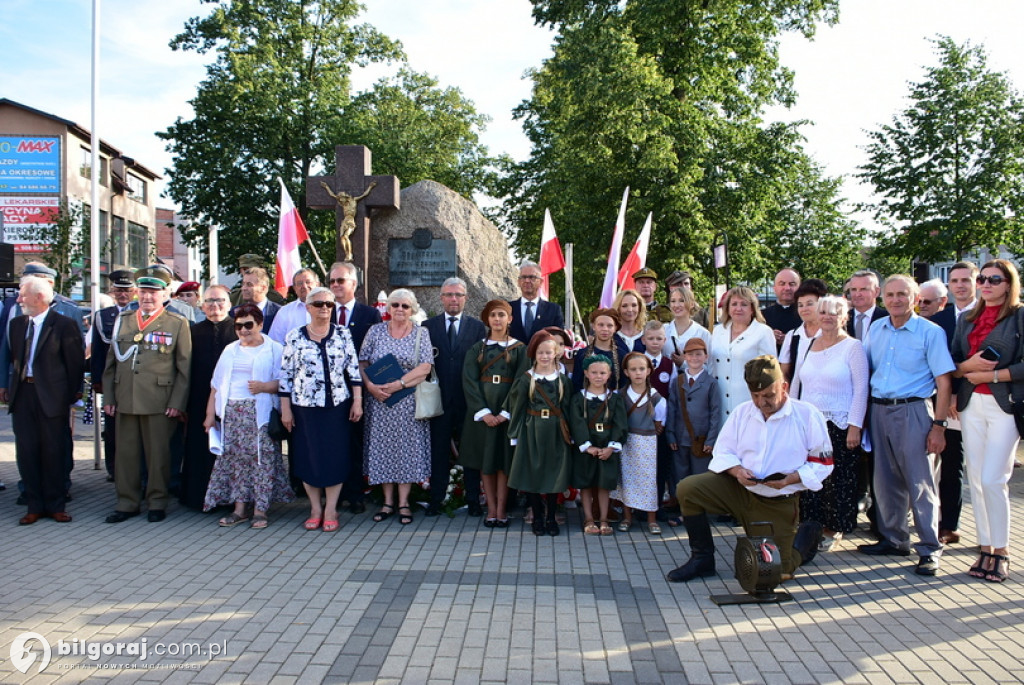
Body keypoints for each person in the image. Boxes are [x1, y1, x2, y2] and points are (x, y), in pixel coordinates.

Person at [667, 356, 831, 583]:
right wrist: (736, 472)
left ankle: (805, 541)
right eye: (755, 396)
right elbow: (723, 451)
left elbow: (823, 463)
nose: (762, 402)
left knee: (777, 573)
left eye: (769, 396)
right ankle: (702, 559)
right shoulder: (743, 412)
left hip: (778, 500)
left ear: (784, 387)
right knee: (688, 489)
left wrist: (791, 478)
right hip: (739, 489)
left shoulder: (807, 415)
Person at [858, 275, 954, 577]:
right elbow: (866, 371)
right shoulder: (877, 328)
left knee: (920, 483)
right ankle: (895, 539)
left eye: (903, 294)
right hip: (879, 410)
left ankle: (929, 548)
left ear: (914, 298)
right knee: (885, 482)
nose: (896, 300)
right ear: (882, 298)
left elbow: (943, 380)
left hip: (913, 410)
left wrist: (938, 426)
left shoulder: (930, 332)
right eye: (890, 294)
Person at [951, 259, 1023, 583]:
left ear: (1009, 284)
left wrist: (991, 374)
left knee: (995, 478)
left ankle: (1003, 550)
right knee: (977, 479)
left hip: (1004, 404)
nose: (987, 284)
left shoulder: (1020, 316)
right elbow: (952, 363)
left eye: (995, 279)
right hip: (970, 404)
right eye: (983, 279)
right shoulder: (967, 319)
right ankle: (985, 546)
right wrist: (968, 368)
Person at [103, 266, 192, 524]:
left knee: (158, 456)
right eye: (143, 292)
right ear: (136, 293)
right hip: (125, 398)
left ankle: (156, 502)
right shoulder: (124, 319)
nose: (147, 297)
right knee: (126, 456)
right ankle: (127, 502)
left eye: (153, 292)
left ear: (165, 294)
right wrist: (109, 397)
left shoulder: (177, 323)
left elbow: (184, 368)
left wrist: (177, 402)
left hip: (159, 401)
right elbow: (110, 363)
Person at [280, 287, 363, 532]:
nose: (324, 308)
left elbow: (354, 370)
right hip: (305, 408)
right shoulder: (295, 336)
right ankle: (315, 508)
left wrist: (357, 401)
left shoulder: (342, 334)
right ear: (308, 308)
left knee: (335, 456)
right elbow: (285, 375)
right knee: (309, 457)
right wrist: (286, 409)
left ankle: (331, 509)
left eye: (328, 304)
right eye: (318, 304)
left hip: (337, 406)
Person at [204, 304, 294, 528]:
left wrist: (264, 386)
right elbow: (215, 385)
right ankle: (239, 509)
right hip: (231, 413)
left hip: (259, 413)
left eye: (248, 325)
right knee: (235, 462)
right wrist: (209, 416)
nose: (243, 330)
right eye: (238, 326)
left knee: (261, 461)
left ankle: (261, 510)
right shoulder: (230, 350)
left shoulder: (274, 349)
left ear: (260, 324)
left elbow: (285, 382)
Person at [791, 296, 868, 552]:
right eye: (823, 311)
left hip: (840, 423)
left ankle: (834, 528)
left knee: (838, 480)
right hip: (809, 424)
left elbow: (861, 389)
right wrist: (791, 415)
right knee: (811, 477)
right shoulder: (809, 343)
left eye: (834, 313)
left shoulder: (853, 347)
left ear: (844, 316)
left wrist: (855, 425)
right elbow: (796, 383)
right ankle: (810, 526)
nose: (827, 316)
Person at [8, 276, 85, 524]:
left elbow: (74, 364)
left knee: (53, 451)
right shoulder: (18, 324)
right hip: (23, 395)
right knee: (27, 451)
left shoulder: (62, 325)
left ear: (39, 297)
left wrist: (71, 395)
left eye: (22, 295)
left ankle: (55, 504)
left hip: (53, 397)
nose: (19, 299)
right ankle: (33, 505)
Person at [360, 289, 433, 526]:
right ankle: (387, 502)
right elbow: (362, 361)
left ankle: (404, 503)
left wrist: (397, 385)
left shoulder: (421, 333)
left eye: (405, 306)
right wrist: (370, 386)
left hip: (408, 403)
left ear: (413, 310)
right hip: (380, 403)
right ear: (388, 308)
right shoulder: (376, 331)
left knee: (406, 452)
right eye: (395, 305)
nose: (400, 309)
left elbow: (425, 368)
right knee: (383, 451)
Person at [423, 278, 488, 516]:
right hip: (438, 401)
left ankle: (473, 500)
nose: (453, 299)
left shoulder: (477, 328)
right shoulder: (427, 326)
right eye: (449, 294)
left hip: (467, 401)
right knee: (438, 452)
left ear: (466, 298)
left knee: (469, 453)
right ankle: (436, 500)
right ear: (441, 297)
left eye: (458, 295)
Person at [461, 300, 529, 527]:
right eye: (493, 315)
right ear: (487, 320)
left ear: (510, 319)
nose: (497, 319)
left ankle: (502, 509)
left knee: (503, 463)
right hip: (483, 415)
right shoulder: (477, 348)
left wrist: (506, 412)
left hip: (506, 414)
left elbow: (522, 382)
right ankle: (490, 509)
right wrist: (484, 412)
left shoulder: (519, 349)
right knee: (486, 462)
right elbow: (469, 381)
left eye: (502, 315)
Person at [506, 330, 573, 535]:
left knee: (554, 473)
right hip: (531, 429)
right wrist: (515, 433)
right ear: (534, 354)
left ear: (556, 354)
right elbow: (517, 406)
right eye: (540, 353)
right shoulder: (527, 379)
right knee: (533, 473)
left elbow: (568, 408)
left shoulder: (563, 380)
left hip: (555, 430)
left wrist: (571, 433)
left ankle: (551, 517)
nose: (544, 356)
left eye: (548, 352)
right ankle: (537, 517)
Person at [328, 261, 382, 513]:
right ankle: (334, 494)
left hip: (360, 388)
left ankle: (356, 494)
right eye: (332, 281)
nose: (335, 285)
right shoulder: (323, 310)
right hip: (329, 390)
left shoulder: (369, 315)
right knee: (334, 442)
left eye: (340, 280)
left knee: (358, 442)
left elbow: (374, 353)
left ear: (354, 284)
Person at [179, 285, 237, 510]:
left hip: (231, 401)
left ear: (229, 305)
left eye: (220, 301)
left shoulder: (238, 330)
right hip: (198, 398)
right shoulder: (191, 332)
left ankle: (231, 498)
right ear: (202, 306)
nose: (215, 306)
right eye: (210, 301)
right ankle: (198, 497)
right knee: (198, 447)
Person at [570, 355, 629, 536]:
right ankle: (588, 518)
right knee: (586, 484)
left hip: (607, 448)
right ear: (586, 373)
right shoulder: (578, 398)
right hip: (586, 448)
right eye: (594, 372)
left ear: (609, 374)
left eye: (602, 373)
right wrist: (587, 446)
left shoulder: (615, 398)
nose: (598, 376)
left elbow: (621, 424)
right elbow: (576, 423)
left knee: (604, 485)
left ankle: (603, 518)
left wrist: (611, 447)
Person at [89, 269, 137, 481]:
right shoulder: (102, 316)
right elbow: (98, 352)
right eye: (118, 290)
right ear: (112, 291)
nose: (122, 295)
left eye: (126, 290)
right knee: (111, 427)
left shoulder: (140, 314)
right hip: (112, 381)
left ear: (134, 291)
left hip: (135, 380)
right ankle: (113, 468)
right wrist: (97, 381)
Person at [611, 352, 666, 535]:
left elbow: (660, 422)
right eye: (633, 369)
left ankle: (652, 518)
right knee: (626, 479)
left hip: (647, 443)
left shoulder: (655, 397)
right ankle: (627, 516)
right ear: (626, 372)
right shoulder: (621, 395)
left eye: (642, 369)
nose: (638, 373)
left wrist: (652, 431)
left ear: (649, 371)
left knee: (648, 480)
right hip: (626, 442)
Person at [708, 286, 776, 418]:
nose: (738, 308)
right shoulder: (718, 331)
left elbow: (770, 374)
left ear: (752, 308)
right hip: (719, 403)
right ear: (728, 308)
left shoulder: (763, 332)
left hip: (748, 403)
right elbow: (711, 366)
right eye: (734, 304)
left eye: (744, 304)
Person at [666, 338, 722, 486]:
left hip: (701, 439)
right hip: (679, 437)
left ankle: (700, 506)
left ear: (706, 357)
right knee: (680, 474)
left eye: (698, 354)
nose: (694, 358)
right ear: (684, 357)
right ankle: (681, 505)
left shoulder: (711, 383)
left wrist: (711, 440)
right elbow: (671, 409)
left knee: (700, 475)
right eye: (690, 354)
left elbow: (715, 413)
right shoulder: (677, 381)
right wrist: (670, 434)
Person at [778, 278, 828, 382]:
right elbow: (784, 373)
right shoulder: (792, 336)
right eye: (800, 305)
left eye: (810, 304)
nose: (804, 309)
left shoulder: (831, 334)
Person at [572, 308, 628, 391]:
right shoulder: (582, 354)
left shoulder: (622, 355)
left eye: (609, 325)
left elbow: (624, 385)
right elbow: (576, 384)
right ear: (593, 326)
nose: (605, 329)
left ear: (615, 328)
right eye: (601, 325)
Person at [509, 261, 564, 343]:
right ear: (518, 282)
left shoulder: (553, 309)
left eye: (532, 277)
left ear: (541, 282)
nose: (527, 280)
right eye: (523, 277)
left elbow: (558, 339)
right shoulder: (508, 308)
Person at [664, 286, 711, 372]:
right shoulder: (663, 330)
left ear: (692, 304)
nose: (676, 305)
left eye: (682, 300)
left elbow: (710, 368)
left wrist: (684, 364)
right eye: (673, 301)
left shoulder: (703, 333)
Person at [267, 268, 320, 344]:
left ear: (317, 284)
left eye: (308, 282)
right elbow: (275, 343)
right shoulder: (285, 312)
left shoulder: (329, 307)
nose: (304, 286)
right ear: (295, 288)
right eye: (299, 283)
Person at [232, 267, 280, 334]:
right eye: (243, 284)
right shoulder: (233, 313)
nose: (243, 288)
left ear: (263, 288)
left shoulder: (279, 313)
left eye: (249, 284)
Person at [762, 268, 802, 348]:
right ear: (774, 288)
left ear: (800, 288)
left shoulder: (807, 315)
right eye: (782, 283)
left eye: (792, 284)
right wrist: (768, 336)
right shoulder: (762, 316)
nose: (787, 288)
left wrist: (790, 341)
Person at [844, 270, 886, 344]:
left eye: (863, 289)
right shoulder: (842, 319)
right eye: (853, 289)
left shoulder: (887, 319)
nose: (857, 294)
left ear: (876, 291)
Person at [613, 288, 647, 353]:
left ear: (639, 308)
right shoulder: (611, 336)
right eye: (624, 306)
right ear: (618, 308)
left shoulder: (647, 334)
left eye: (634, 305)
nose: (630, 309)